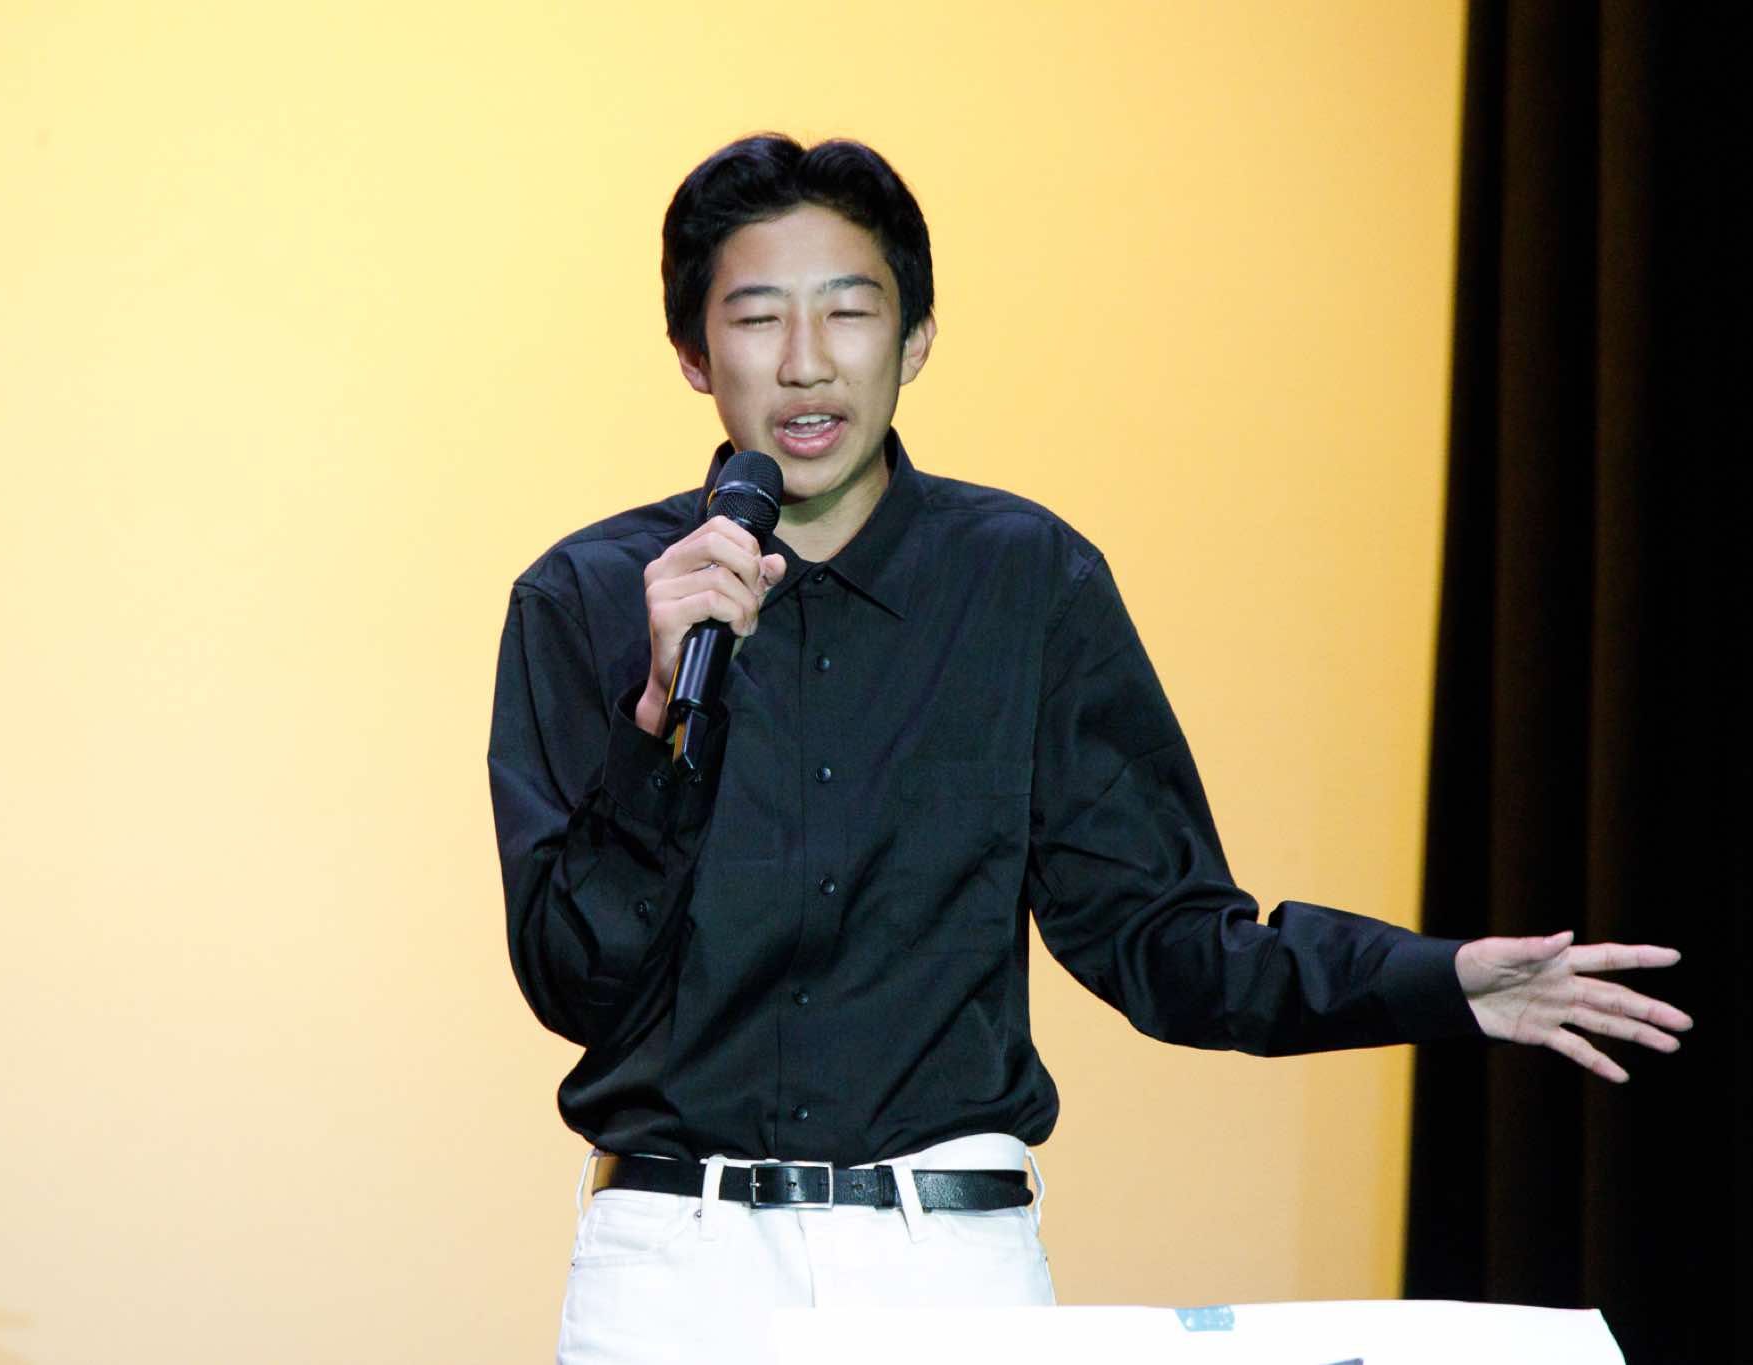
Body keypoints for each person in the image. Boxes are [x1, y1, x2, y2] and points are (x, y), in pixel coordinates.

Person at [486, 133, 1691, 1365]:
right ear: (694, 354)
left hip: (947, 1266)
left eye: (847, 311)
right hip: (676, 1270)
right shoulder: (587, 599)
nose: (805, 360)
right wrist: (657, 716)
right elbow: (572, 982)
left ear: (914, 340)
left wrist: (1432, 981)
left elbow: (1161, 938)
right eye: (755, 318)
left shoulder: (1026, 582)